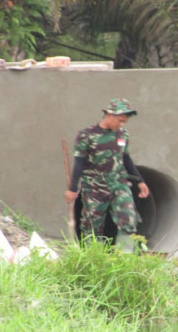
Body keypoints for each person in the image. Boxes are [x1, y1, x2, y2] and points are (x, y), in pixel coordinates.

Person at [64, 98, 150, 253]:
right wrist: (72, 189)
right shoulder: (87, 135)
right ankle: (94, 259)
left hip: (119, 184)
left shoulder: (122, 134)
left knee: (128, 220)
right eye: (120, 120)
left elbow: (126, 159)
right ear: (109, 114)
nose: (122, 124)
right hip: (95, 188)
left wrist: (140, 181)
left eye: (125, 121)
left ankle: (125, 259)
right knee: (92, 226)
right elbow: (79, 163)